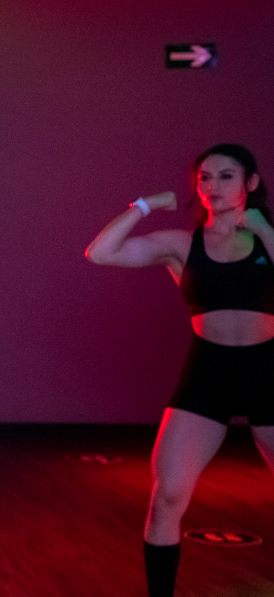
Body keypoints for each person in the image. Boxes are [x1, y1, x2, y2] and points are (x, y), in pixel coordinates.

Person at [85, 143, 274, 597]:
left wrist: (265, 228)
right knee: (167, 496)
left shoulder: (269, 234)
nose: (212, 186)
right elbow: (100, 253)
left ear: (250, 183)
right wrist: (145, 206)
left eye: (226, 176)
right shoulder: (182, 243)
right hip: (208, 370)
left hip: (269, 369)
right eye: (205, 178)